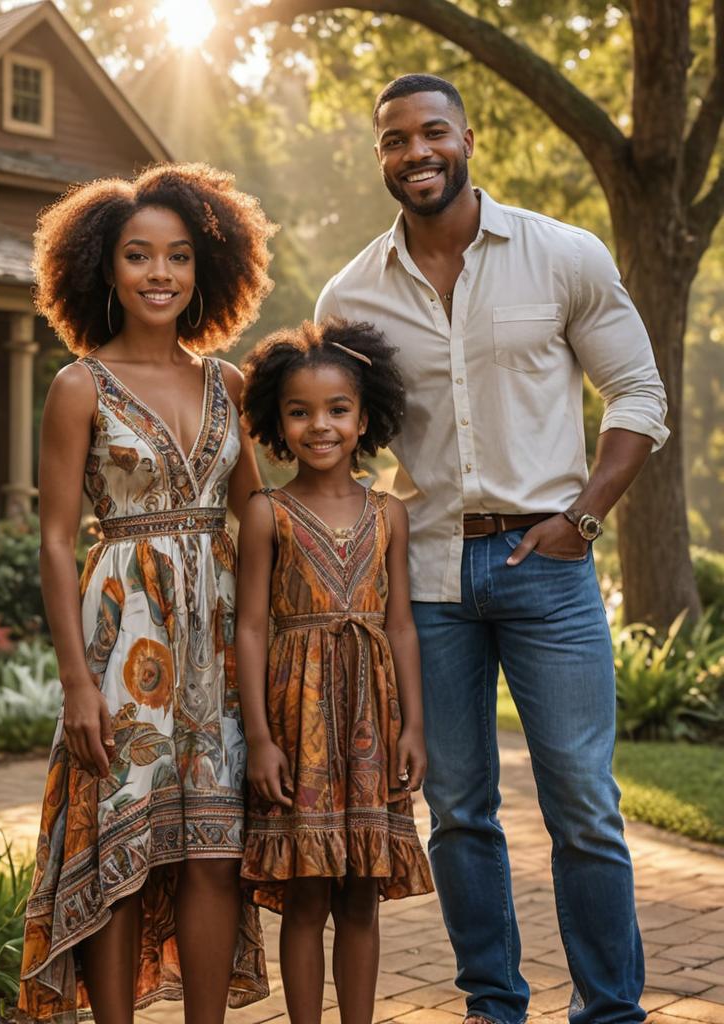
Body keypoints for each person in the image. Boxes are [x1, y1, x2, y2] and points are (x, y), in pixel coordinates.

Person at [315, 74, 669, 1024]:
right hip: (424, 579)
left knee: (584, 809)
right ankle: (493, 1006)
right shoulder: (350, 295)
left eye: (433, 133)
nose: (416, 152)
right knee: (459, 812)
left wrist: (582, 519)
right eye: (395, 140)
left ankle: (610, 1009)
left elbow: (638, 393)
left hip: (547, 568)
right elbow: (332, 435)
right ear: (381, 155)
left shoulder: (561, 255)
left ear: (467, 138)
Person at [18, 163, 275, 1024]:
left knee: (212, 848)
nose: (160, 273)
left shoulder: (228, 386)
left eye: (178, 256)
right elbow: (56, 540)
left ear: (208, 270)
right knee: (120, 846)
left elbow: (259, 522)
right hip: (121, 639)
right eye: (138, 256)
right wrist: (77, 682)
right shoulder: (77, 387)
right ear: (105, 269)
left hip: (218, 635)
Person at [235, 319, 433, 1024]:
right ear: (275, 422)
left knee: (359, 890)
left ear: (364, 417)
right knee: (308, 889)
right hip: (297, 718)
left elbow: (402, 625)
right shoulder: (267, 514)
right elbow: (251, 628)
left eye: (337, 409)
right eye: (299, 411)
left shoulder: (390, 516)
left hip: (371, 723)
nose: (319, 425)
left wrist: (415, 726)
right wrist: (260, 737)